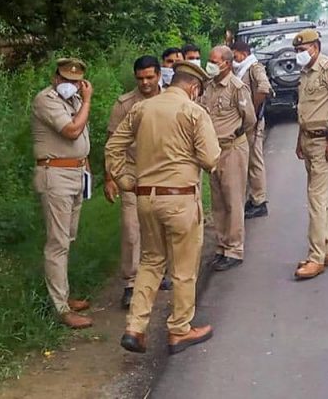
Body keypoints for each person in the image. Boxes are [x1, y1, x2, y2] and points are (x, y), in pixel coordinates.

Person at [106, 61, 221, 355]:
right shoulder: (194, 112)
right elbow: (210, 160)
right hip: (180, 200)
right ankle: (180, 329)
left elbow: (113, 146)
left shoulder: (142, 109)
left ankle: (135, 327)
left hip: (145, 198)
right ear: (194, 88)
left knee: (150, 261)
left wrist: (122, 179)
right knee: (183, 268)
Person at [31, 58, 94, 329]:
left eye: (75, 80)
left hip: (76, 173)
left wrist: (86, 171)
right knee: (57, 243)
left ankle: (65, 296)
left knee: (68, 237)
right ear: (55, 78)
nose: (70, 84)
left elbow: (83, 140)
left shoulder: (75, 101)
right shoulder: (46, 100)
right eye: (65, 79)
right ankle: (60, 308)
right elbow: (71, 130)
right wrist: (88, 100)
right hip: (55, 175)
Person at [105, 56, 171, 309]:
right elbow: (112, 142)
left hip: (164, 172)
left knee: (161, 225)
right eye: (140, 78)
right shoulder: (125, 104)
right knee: (132, 230)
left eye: (150, 77)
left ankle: (159, 272)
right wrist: (111, 177)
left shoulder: (172, 99)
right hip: (133, 173)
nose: (145, 82)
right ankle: (131, 283)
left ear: (158, 76)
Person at [291, 29, 328, 280]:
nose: (299, 55)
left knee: (316, 198)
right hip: (309, 139)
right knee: (320, 199)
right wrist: (299, 140)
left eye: (302, 50)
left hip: (325, 141)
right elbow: (305, 109)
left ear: (315, 47)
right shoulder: (305, 73)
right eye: (297, 51)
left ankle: (316, 258)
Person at [200, 45, 257, 272]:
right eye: (210, 60)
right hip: (214, 150)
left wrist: (234, 133)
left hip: (232, 148)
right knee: (218, 201)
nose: (211, 64)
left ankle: (234, 248)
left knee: (233, 199)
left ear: (227, 63)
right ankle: (222, 245)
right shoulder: (209, 87)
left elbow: (250, 119)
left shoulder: (237, 87)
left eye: (215, 61)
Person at [231, 40, 273, 219]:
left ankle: (259, 200)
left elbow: (264, 88)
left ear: (243, 53)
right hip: (243, 121)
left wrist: (253, 111)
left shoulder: (254, 67)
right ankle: (254, 197)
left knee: (255, 161)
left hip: (253, 122)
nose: (234, 60)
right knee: (248, 160)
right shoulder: (242, 69)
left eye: (235, 56)